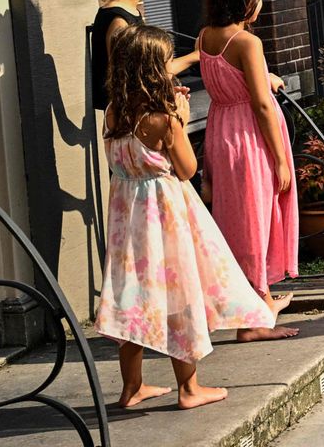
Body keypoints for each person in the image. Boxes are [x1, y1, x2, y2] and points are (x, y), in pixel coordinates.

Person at [96, 25, 277, 411]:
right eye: (165, 63)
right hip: (165, 219)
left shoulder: (113, 112)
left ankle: (131, 387)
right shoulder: (162, 119)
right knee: (179, 299)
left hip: (126, 221)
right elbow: (187, 169)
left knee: (133, 299)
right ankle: (189, 388)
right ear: (153, 70)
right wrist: (178, 115)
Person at [199, 0, 300, 341]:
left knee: (238, 221)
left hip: (221, 134)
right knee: (256, 221)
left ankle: (261, 300)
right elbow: (259, 103)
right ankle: (253, 322)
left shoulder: (205, 36)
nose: (262, 3)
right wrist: (278, 158)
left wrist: (265, 76)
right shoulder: (247, 41)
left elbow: (234, 80)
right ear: (244, 0)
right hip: (250, 141)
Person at [87, 0, 198, 110]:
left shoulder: (130, 13)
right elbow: (128, 84)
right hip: (129, 125)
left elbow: (150, 71)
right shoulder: (119, 22)